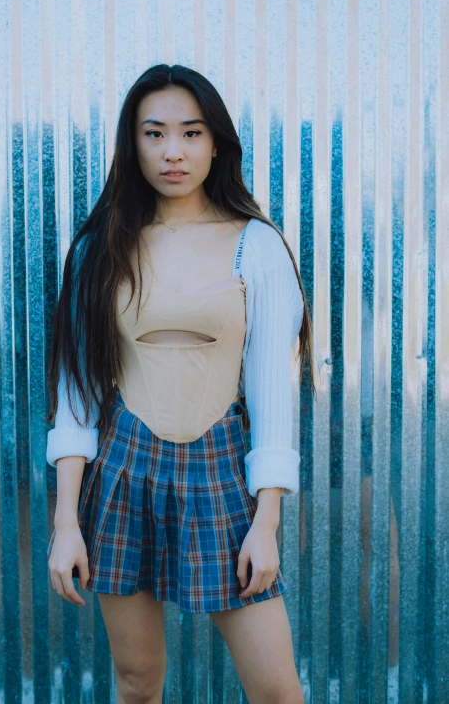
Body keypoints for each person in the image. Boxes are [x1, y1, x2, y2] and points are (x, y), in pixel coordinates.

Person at [46, 63, 316, 703]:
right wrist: (65, 525)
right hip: (122, 473)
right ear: (131, 144)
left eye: (192, 133)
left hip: (221, 471)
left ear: (216, 143)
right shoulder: (99, 248)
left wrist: (266, 521)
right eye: (155, 133)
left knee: (278, 689)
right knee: (138, 681)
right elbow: (77, 395)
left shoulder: (258, 245)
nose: (173, 151)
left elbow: (273, 392)